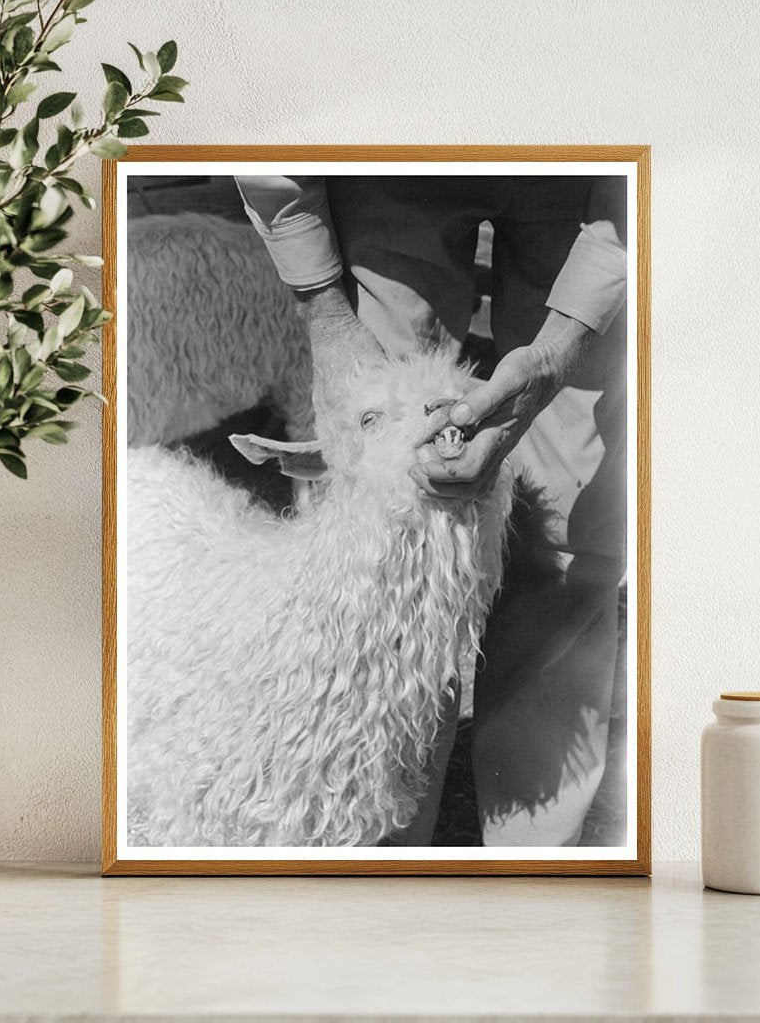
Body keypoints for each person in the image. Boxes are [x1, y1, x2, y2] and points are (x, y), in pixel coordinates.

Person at [234, 174, 628, 846]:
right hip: (388, 159)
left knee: (569, 517)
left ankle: (534, 859)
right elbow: (272, 142)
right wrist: (325, 310)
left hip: (585, 175)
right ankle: (376, 836)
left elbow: (642, 189)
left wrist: (560, 348)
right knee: (387, 516)